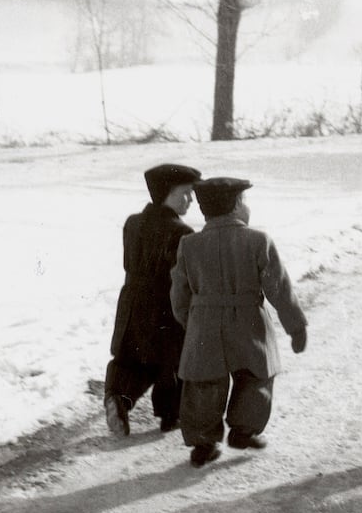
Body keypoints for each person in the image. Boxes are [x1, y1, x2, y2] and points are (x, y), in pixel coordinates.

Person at [170, 177, 308, 467]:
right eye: (244, 201)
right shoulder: (258, 240)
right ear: (235, 206)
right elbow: (279, 289)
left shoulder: (189, 244)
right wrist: (295, 326)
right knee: (257, 376)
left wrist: (190, 323)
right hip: (248, 321)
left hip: (204, 322)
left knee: (203, 383)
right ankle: (243, 431)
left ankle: (203, 443)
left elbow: (179, 293)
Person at [104, 163, 202, 436]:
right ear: (168, 194)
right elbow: (185, 277)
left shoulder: (133, 223)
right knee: (172, 359)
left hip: (132, 300)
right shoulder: (182, 233)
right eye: (186, 193)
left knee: (131, 356)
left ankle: (118, 398)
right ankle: (171, 415)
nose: (191, 200)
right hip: (165, 305)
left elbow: (128, 261)